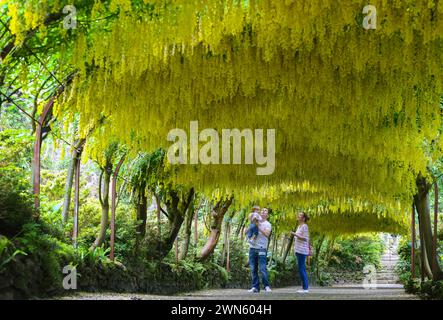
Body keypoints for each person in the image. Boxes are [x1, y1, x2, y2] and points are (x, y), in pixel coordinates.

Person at [247, 208, 272, 293]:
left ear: (267, 215)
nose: (263, 212)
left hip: (262, 248)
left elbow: (267, 234)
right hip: (252, 248)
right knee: (253, 268)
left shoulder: (267, 224)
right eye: (262, 210)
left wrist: (258, 226)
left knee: (262, 268)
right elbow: (246, 231)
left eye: (265, 211)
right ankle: (255, 287)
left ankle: (266, 286)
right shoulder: (254, 221)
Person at [291, 211, 310, 293]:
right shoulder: (299, 226)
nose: (298, 216)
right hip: (298, 250)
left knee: (302, 269)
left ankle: (305, 288)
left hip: (302, 250)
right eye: (298, 215)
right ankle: (304, 288)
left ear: (303, 218)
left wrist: (294, 234)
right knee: (301, 269)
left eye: (300, 215)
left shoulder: (304, 226)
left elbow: (305, 238)